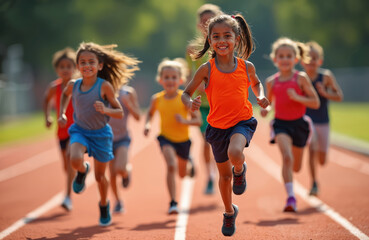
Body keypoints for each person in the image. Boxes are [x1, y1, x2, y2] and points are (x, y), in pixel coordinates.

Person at [182, 14, 270, 236]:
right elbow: (186, 93)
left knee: (235, 151)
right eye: (216, 36)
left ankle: (240, 169)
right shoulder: (206, 69)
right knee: (224, 177)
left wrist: (260, 95)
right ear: (210, 40)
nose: (222, 40)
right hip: (217, 128)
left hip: (241, 121)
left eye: (227, 36)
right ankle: (229, 212)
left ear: (237, 39)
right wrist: (190, 102)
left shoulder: (245, 66)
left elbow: (257, 83)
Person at [58, 42, 139, 226]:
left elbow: (118, 111)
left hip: (101, 135)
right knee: (74, 157)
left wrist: (105, 110)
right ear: (77, 66)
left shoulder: (105, 87)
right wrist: (62, 112)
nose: (87, 66)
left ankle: (104, 205)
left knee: (100, 177)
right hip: (80, 130)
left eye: (91, 62)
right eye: (83, 62)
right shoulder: (74, 84)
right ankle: (82, 170)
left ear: (100, 65)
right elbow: (65, 94)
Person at [260, 37, 320, 212]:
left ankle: (292, 189)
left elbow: (315, 102)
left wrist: (298, 97)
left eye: (288, 56)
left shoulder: (300, 78)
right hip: (280, 124)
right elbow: (269, 103)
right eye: (281, 56)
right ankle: (291, 198)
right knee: (287, 157)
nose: (285, 59)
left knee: (296, 166)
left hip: (300, 125)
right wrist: (265, 110)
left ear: (295, 59)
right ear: (275, 59)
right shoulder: (272, 81)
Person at [144, 58, 201, 215]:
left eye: (174, 77)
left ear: (181, 80)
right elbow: (149, 114)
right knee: (170, 165)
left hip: (183, 141)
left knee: (182, 174)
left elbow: (198, 121)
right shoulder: (156, 99)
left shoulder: (184, 99)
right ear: (160, 80)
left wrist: (184, 121)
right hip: (165, 138)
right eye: (167, 77)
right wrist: (147, 125)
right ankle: (173, 202)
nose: (170, 80)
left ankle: (189, 165)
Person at [186, 3, 222, 195]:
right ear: (199, 24)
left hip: (222, 103)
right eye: (203, 21)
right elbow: (188, 74)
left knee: (223, 141)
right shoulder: (193, 48)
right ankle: (210, 176)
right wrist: (196, 85)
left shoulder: (223, 44)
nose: (206, 23)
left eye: (210, 20)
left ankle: (227, 170)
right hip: (203, 104)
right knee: (207, 141)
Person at [300, 41, 344, 196]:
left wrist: (325, 93)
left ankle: (322, 157)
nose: (311, 61)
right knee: (311, 148)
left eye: (314, 58)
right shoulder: (300, 78)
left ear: (320, 61)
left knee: (322, 159)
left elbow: (339, 96)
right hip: (307, 120)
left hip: (323, 121)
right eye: (308, 57)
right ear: (302, 60)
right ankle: (313, 183)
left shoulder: (326, 77)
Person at [43, 47, 77, 211]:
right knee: (66, 167)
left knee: (71, 157)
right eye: (62, 67)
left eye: (68, 66)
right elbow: (46, 100)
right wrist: (47, 117)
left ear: (74, 68)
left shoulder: (77, 86)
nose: (65, 69)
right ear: (57, 69)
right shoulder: (53, 87)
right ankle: (75, 175)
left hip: (76, 130)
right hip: (61, 132)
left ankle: (68, 197)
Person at [108, 84, 141, 213]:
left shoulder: (128, 92)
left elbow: (138, 116)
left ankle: (126, 172)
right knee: (111, 175)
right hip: (106, 140)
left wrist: (128, 104)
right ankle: (118, 201)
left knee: (120, 168)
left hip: (122, 138)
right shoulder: (101, 90)